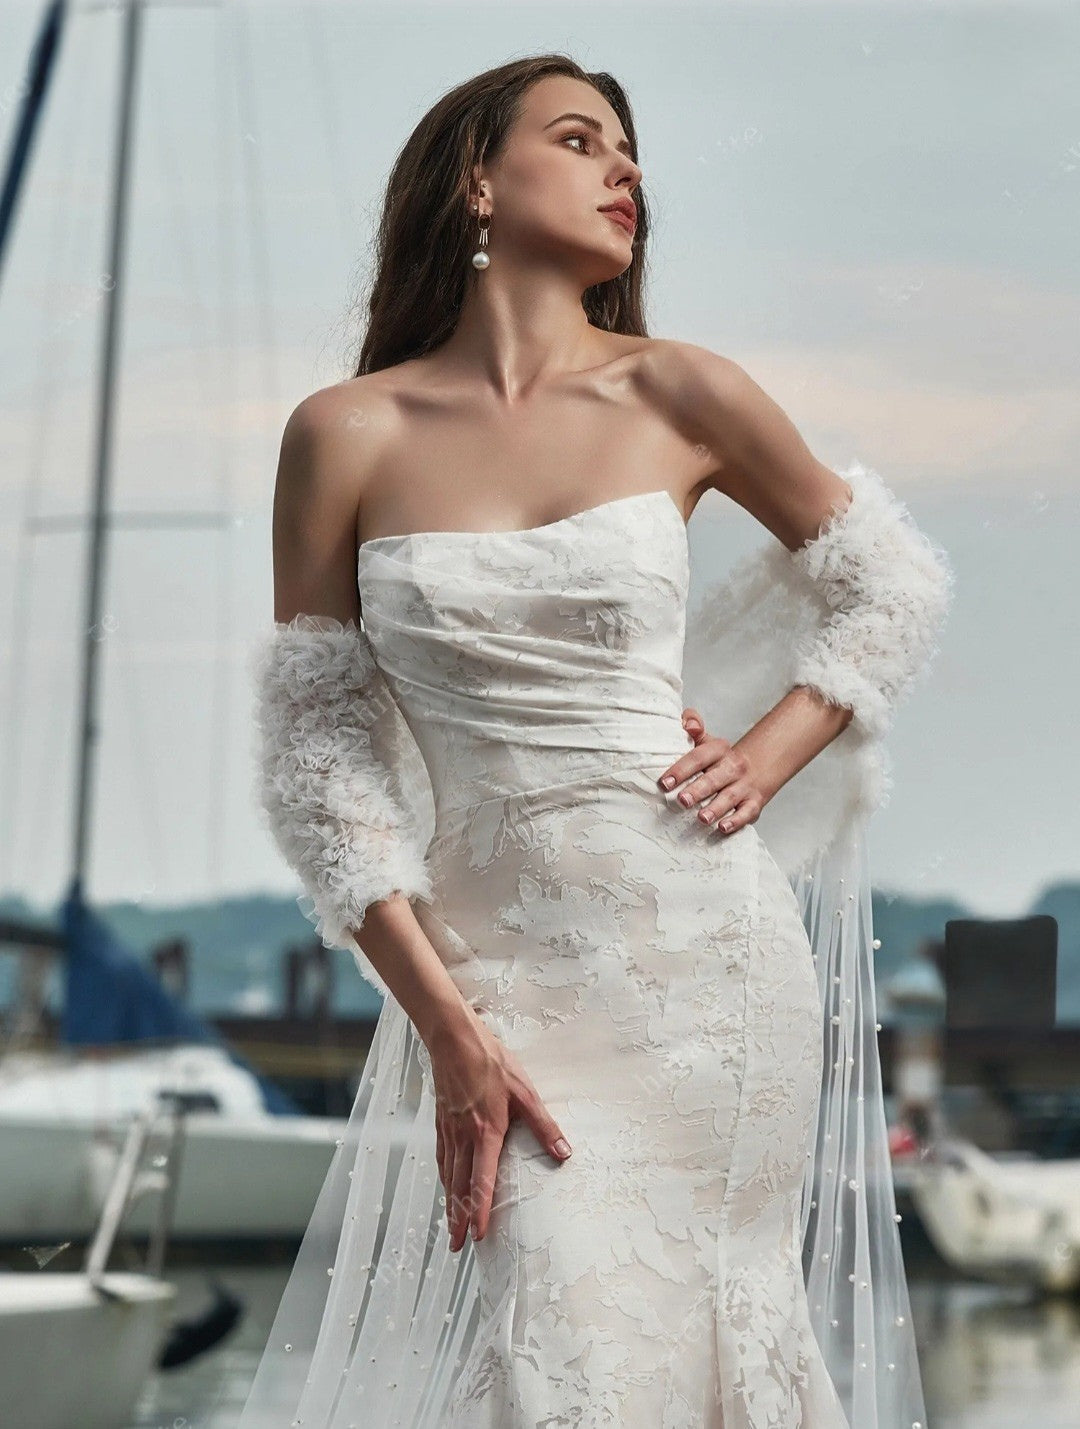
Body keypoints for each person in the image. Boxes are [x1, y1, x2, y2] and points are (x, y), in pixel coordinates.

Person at [240, 54, 952, 1429]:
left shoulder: (681, 392)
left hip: (708, 964)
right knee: (553, 1352)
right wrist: (446, 1026)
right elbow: (318, 756)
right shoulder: (345, 431)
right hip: (498, 986)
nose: (625, 170)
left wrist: (771, 748)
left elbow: (892, 583)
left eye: (629, 151)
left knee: (709, 1337)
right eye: (580, 140)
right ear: (477, 179)